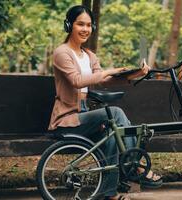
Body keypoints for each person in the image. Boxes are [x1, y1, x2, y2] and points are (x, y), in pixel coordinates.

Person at [48, 5, 162, 200]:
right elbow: (77, 81)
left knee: (112, 134)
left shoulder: (90, 55)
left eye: (89, 25)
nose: (85, 29)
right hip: (67, 119)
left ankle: (107, 194)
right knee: (115, 113)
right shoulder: (62, 53)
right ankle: (133, 166)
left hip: (86, 116)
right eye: (80, 24)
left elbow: (103, 80)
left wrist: (136, 74)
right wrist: (108, 70)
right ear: (69, 25)